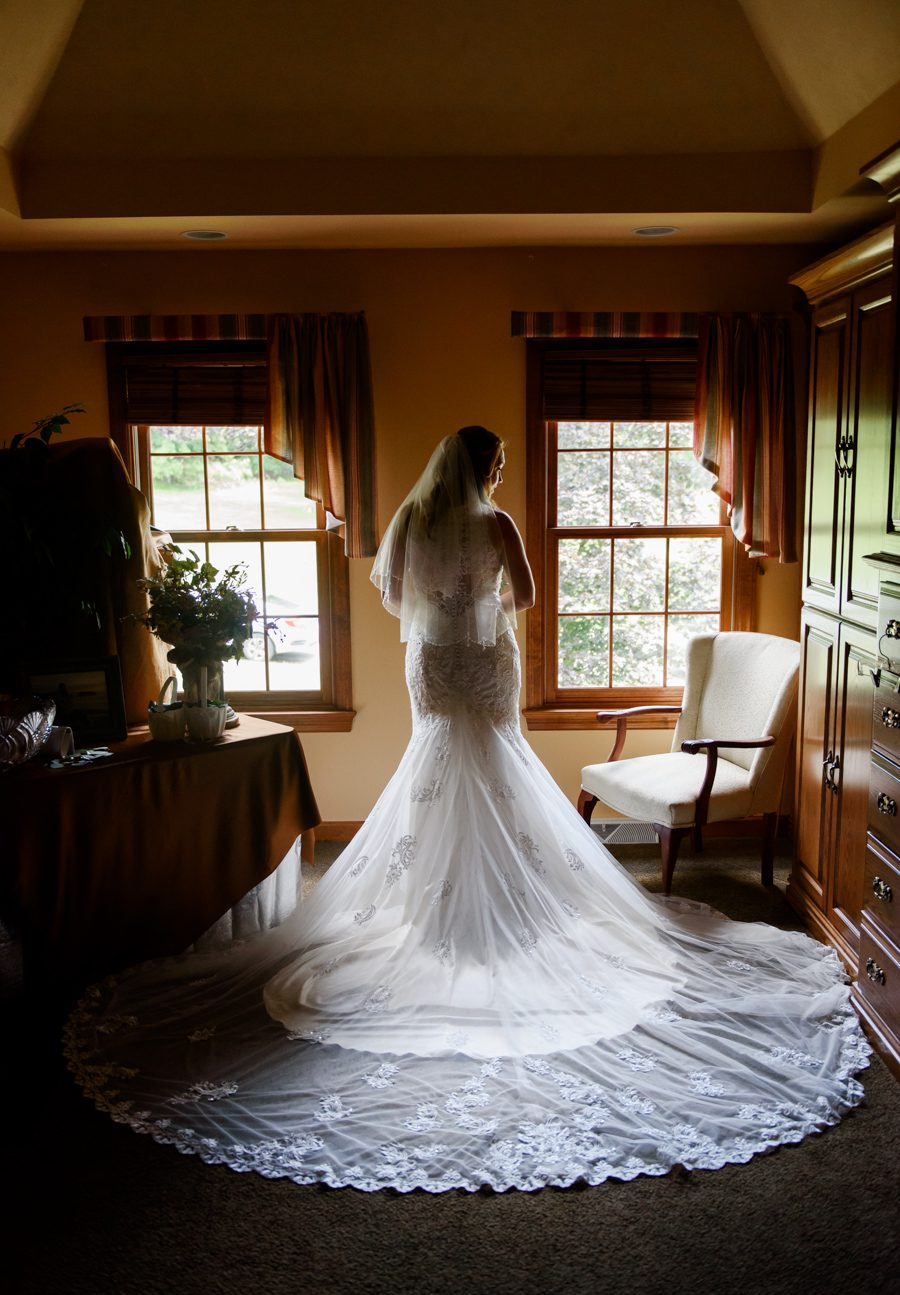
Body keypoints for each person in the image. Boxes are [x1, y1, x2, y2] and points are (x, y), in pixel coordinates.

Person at [66, 428, 870, 1193]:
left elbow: (388, 592)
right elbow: (522, 594)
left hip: (431, 663)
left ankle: (434, 914)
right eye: (501, 465)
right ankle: (499, 914)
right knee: (494, 766)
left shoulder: (413, 515)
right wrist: (480, 597)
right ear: (486, 467)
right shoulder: (497, 522)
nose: (501, 477)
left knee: (437, 767)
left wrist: (440, 607)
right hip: (486, 662)